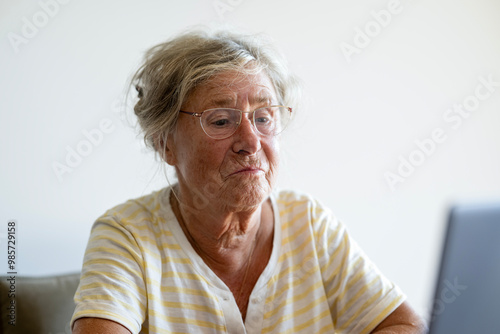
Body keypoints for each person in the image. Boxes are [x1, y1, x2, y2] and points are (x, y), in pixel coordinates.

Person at [71, 29, 426, 334]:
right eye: (221, 120)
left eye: (263, 117)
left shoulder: (309, 224)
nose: (251, 141)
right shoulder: (127, 235)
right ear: (166, 143)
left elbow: (405, 324)